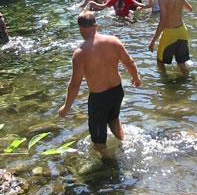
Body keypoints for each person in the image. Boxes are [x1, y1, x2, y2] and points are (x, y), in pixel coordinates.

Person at [58, 11, 141, 155]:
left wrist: (66, 107)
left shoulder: (80, 53)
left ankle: (109, 164)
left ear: (81, 28)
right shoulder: (113, 41)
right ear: (96, 26)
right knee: (113, 119)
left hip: (99, 98)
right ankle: (126, 144)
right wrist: (136, 78)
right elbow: (130, 62)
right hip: (117, 91)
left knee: (98, 140)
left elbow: (75, 85)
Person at [148, 0, 193, 76]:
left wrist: (153, 41)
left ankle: (165, 83)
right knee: (181, 62)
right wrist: (176, 8)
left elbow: (162, 22)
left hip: (170, 34)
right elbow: (190, 9)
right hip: (182, 31)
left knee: (160, 61)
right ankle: (187, 79)